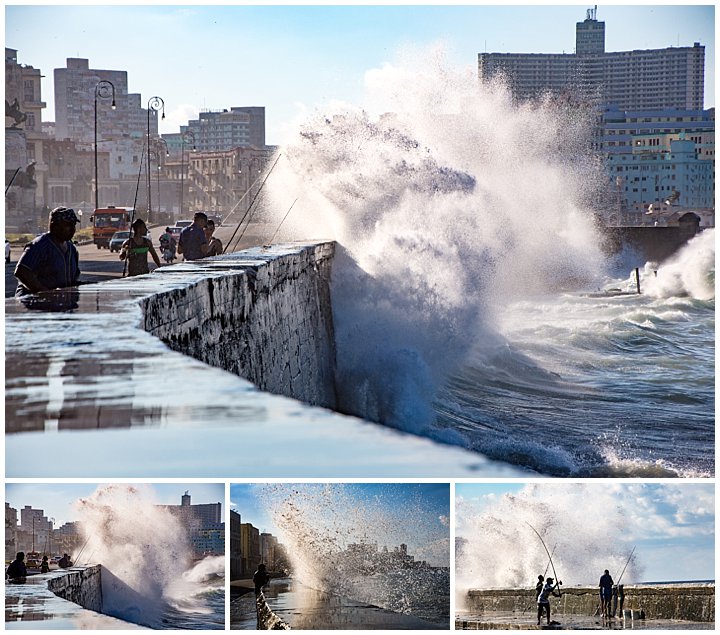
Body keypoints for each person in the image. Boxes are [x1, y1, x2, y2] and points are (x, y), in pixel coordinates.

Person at [14, 207, 81, 296]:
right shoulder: (40, 245)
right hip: (36, 305)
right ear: (54, 226)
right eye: (68, 225)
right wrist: (44, 293)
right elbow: (22, 272)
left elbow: (72, 280)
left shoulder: (71, 248)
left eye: (74, 224)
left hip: (61, 305)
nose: (73, 229)